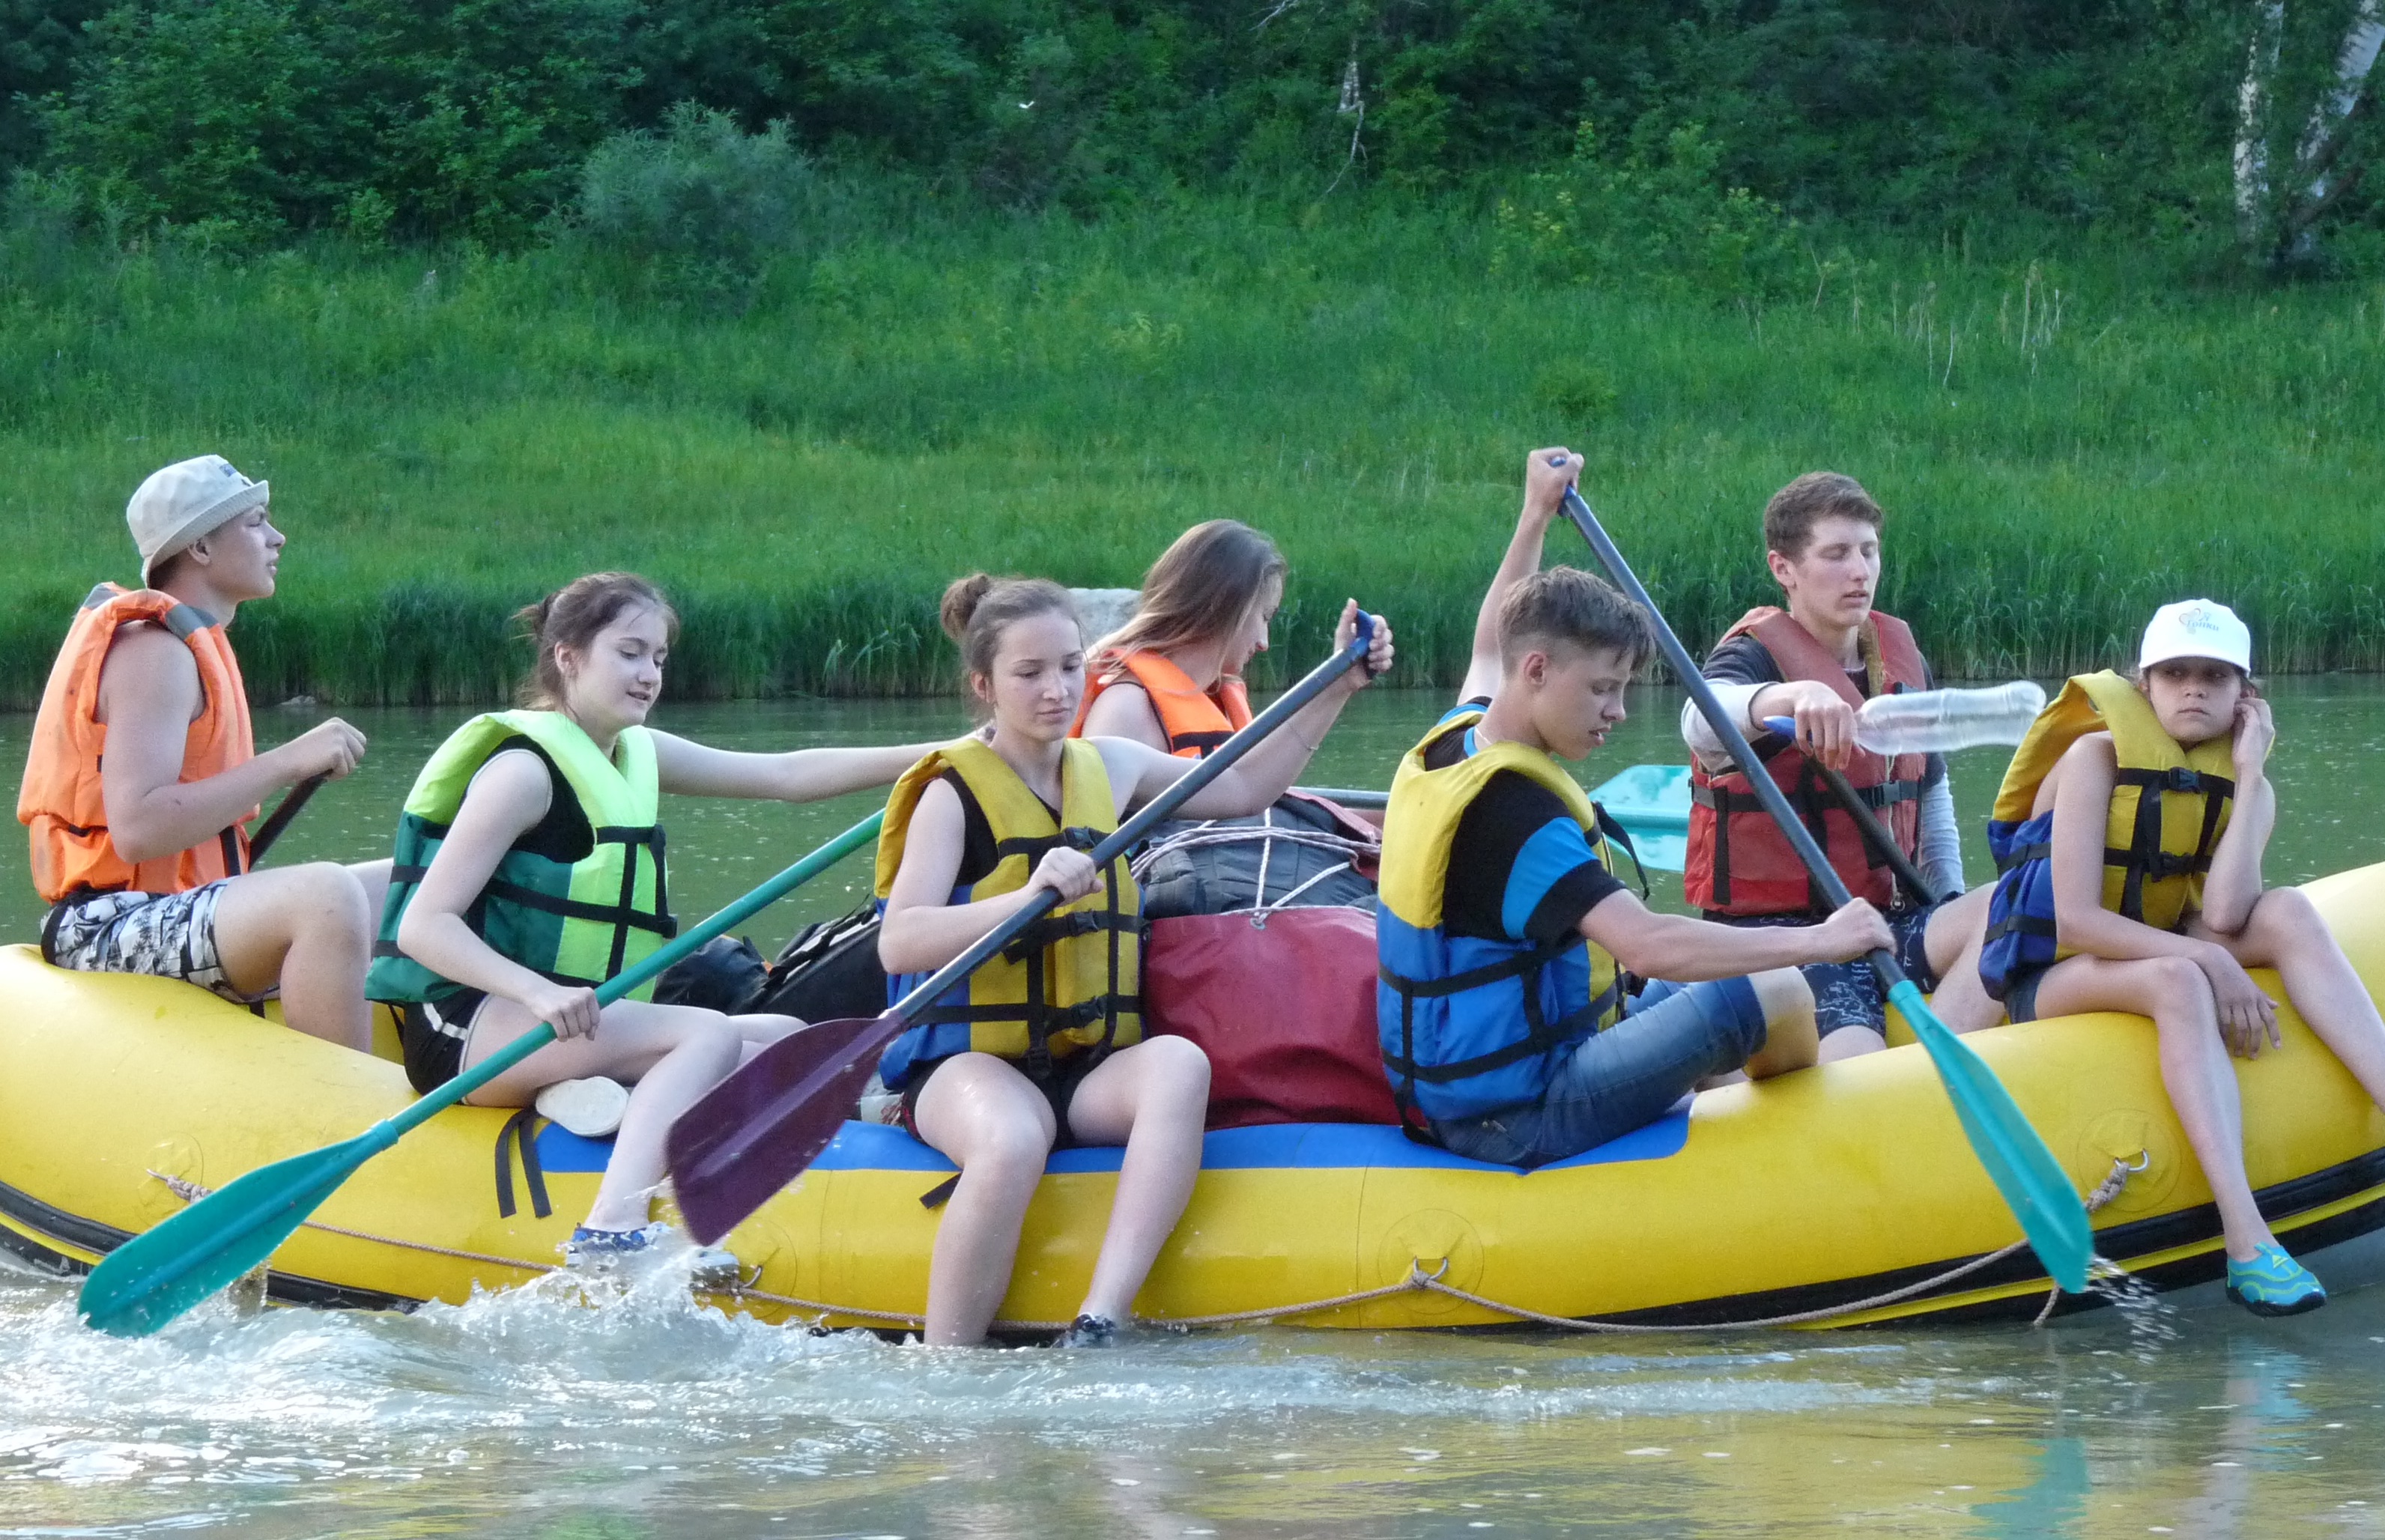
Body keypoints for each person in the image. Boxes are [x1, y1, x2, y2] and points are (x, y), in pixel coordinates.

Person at [367, 572, 954, 1267]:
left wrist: (945, 755)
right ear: (568, 656)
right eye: (630, 653)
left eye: (659, 658)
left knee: (785, 1035)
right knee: (701, 1033)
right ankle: (611, 1226)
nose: (649, 675)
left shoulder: (633, 752)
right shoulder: (522, 773)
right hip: (467, 1026)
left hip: (572, 1021)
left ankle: (614, 1099)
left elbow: (786, 777)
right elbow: (423, 927)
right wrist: (536, 991)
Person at [876, 574, 1395, 1346]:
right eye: (1029, 674)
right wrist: (1022, 899)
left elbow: (1248, 785)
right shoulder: (950, 794)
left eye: (1068, 667)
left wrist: (1338, 686)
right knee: (1013, 1138)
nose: (1055, 690)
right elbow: (902, 939)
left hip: (1084, 1068)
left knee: (1179, 1065)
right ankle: (949, 1361)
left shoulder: (1111, 766)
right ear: (983, 685)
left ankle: (1101, 1317)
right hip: (968, 1066)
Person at [1376, 449, 1893, 1168]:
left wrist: (1534, 513)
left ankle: (1732, 1109)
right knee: (1777, 987)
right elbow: (1647, 945)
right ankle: (1809, 1159)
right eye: (1602, 689)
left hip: (1478, 1082)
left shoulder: (1459, 738)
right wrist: (1823, 940)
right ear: (1538, 671)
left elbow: (1491, 640)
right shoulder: (1514, 813)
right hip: (1521, 1109)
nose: (1618, 712)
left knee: (1700, 985)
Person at [1977, 599, 2385, 1317]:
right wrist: (2217, 966)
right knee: (2178, 976)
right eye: (2174, 674)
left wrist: (2252, 775)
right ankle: (2247, 1239)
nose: (2193, 688)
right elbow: (2077, 919)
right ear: (2144, 687)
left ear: (2244, 698)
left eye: (2214, 676)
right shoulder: (2094, 758)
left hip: (2156, 939)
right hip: (2055, 973)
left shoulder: (2245, 783)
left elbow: (2226, 913)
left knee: (2286, 908)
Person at [17, 455, 384, 1050]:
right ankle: (355, 1120)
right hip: (106, 927)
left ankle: (466, 1063)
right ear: (201, 551)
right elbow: (137, 829)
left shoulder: (194, 644)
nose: (277, 537)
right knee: (326, 898)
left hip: (179, 910)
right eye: (256, 523)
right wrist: (288, 761)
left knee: (411, 881)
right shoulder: (155, 652)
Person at [1678, 470, 2000, 1058]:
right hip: (1784, 940)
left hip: (1886, 922)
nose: (1860, 570)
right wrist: (1787, 698)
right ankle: (1881, 1088)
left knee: (2015, 902)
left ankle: (1932, 1073)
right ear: (1785, 570)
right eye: (1836, 554)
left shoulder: (1902, 656)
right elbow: (1700, 723)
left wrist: (1947, 898)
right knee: (1852, 1051)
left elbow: (1930, 800)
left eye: (1869, 551)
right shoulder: (1750, 658)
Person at [1072, 520, 1284, 757]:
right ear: (1223, 608)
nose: (1264, 643)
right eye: (1264, 617)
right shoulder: (1126, 709)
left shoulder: (1215, 699)